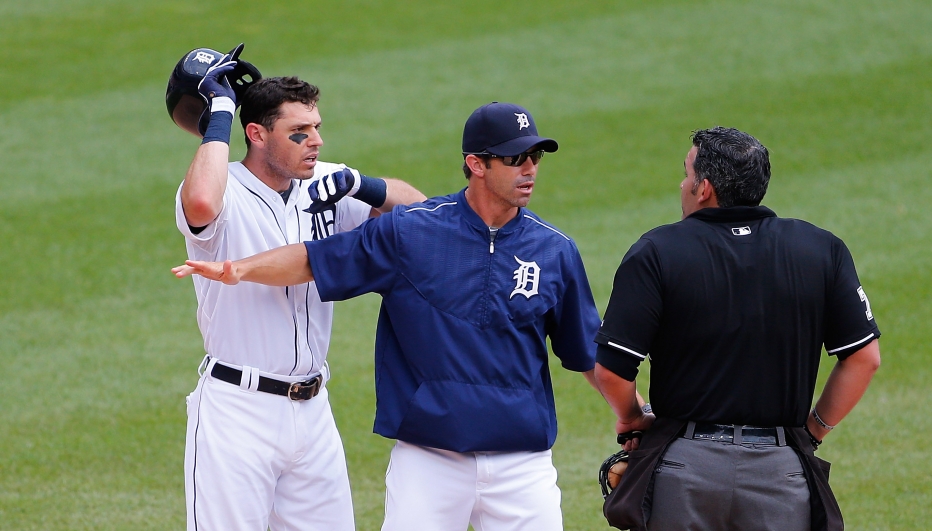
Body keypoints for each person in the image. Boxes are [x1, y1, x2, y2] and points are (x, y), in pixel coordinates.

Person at [174, 102, 624, 531]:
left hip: (521, 460)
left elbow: (587, 351)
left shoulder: (555, 250)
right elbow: (316, 259)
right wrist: (240, 269)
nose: (529, 169)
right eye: (515, 158)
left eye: (534, 157)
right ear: (477, 163)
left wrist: (635, 416)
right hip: (428, 458)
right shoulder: (413, 234)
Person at [174, 53, 425, 531]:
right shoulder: (222, 189)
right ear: (256, 134)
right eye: (299, 132)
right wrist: (220, 113)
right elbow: (202, 202)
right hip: (238, 411)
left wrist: (363, 185)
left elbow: (421, 216)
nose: (316, 141)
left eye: (316, 127)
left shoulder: (327, 182)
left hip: (313, 413)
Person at [593, 127, 881, 531]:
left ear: (704, 188)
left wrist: (633, 418)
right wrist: (813, 431)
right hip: (780, 473)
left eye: (687, 173)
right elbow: (864, 358)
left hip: (684, 470)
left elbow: (611, 369)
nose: (682, 184)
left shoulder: (657, 252)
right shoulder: (820, 249)